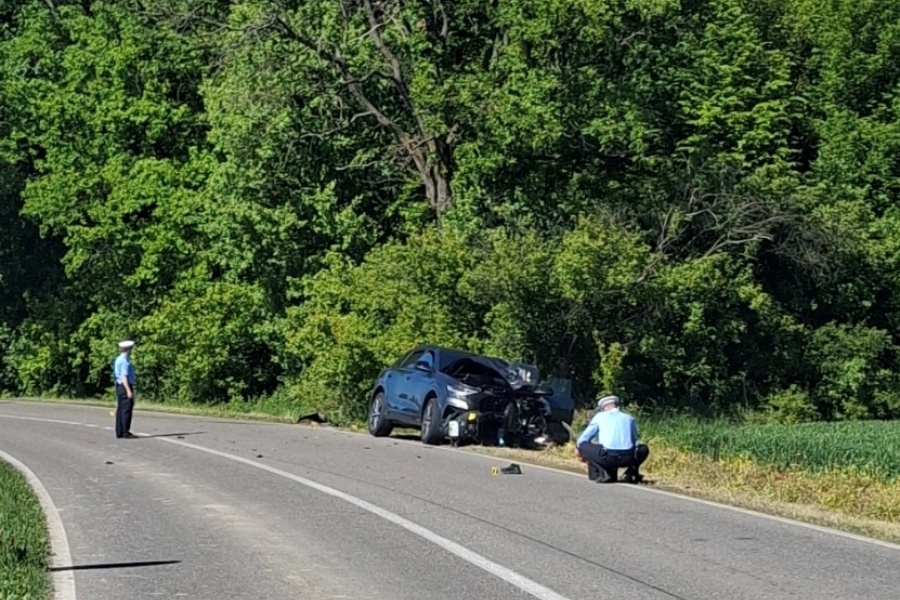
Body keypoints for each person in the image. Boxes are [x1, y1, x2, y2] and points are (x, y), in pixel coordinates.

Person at [575, 395, 649, 483]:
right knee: (643, 448)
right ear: (617, 406)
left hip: (607, 457)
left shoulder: (600, 416)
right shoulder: (629, 418)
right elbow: (634, 441)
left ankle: (602, 472)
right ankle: (631, 472)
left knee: (582, 445)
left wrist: (578, 450)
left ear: (603, 408)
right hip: (627, 458)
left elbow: (584, 438)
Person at [113, 340, 137, 439]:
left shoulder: (118, 359)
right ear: (128, 350)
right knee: (126, 409)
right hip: (124, 385)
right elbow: (124, 376)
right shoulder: (125, 361)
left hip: (119, 386)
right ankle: (125, 432)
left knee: (120, 409)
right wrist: (128, 390)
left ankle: (119, 431)